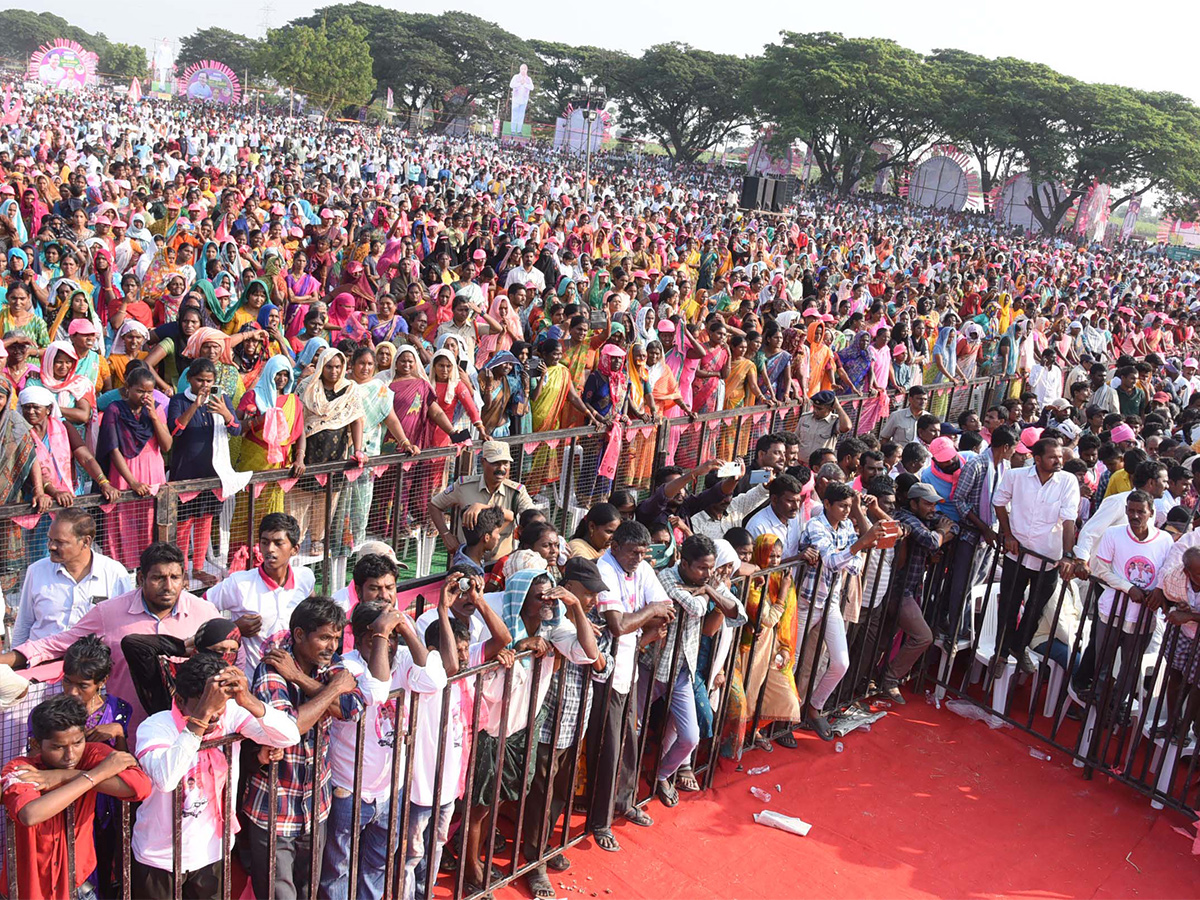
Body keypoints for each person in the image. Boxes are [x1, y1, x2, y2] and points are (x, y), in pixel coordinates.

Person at [0, 542, 221, 748]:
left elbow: (228, 664)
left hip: (188, 736)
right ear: (140, 578)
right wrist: (6, 660)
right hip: (126, 735)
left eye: (175, 577)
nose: (168, 586)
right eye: (159, 578)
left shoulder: (205, 614)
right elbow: (58, 644)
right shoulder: (109, 613)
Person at [131, 655, 299, 899]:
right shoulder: (155, 727)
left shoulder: (230, 713)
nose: (213, 717)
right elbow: (166, 780)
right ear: (179, 700)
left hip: (213, 851)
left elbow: (289, 736)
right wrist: (200, 718)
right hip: (159, 856)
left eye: (217, 709)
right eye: (203, 707)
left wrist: (248, 700)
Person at [320, 600, 446, 900]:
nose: (389, 644)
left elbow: (434, 680)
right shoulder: (345, 666)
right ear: (363, 636)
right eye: (380, 636)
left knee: (376, 865)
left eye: (393, 637)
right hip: (349, 789)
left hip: (392, 788)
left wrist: (405, 628)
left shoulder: (403, 656)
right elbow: (375, 691)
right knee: (338, 869)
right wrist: (380, 634)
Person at [243, 597, 366, 900]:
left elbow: (353, 708)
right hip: (274, 806)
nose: (332, 645)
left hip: (315, 804)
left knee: (308, 891)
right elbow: (288, 730)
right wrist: (333, 691)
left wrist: (300, 679)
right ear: (299, 635)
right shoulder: (271, 669)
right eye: (325, 637)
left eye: (337, 638)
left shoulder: (327, 663)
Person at [1, 694, 151, 900]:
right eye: (58, 747)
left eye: (77, 742)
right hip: (30, 890)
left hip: (77, 886)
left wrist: (66, 776)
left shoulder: (90, 754)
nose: (70, 755)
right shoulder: (20, 768)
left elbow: (139, 787)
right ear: (35, 743)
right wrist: (97, 775)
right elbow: (30, 814)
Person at [992, 437, 1080, 664]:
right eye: (1052, 457)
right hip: (1017, 553)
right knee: (1009, 607)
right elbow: (998, 501)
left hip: (1048, 558)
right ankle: (1000, 654)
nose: (1058, 461)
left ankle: (1018, 648)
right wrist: (1008, 534)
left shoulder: (1068, 481)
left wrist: (1068, 555)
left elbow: (1069, 519)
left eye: (1060, 456)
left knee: (1036, 610)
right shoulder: (1016, 476)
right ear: (1037, 459)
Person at [205, 513, 316, 676]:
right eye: (265, 542)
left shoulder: (305, 578)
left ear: (295, 549)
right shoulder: (239, 584)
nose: (270, 549)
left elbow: (315, 610)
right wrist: (234, 629)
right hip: (252, 685)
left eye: (278, 543)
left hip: (294, 681)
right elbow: (200, 608)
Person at [11, 507, 132, 645]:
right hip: (41, 660)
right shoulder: (36, 571)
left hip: (92, 662)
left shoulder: (114, 573)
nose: (51, 547)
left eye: (60, 542)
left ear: (86, 542)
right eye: (50, 540)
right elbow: (24, 624)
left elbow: (125, 625)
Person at [429, 440, 534, 560]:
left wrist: (481, 507)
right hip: (467, 562)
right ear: (482, 462)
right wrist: (446, 534)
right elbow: (434, 505)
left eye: (505, 463)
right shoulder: (464, 486)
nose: (501, 468)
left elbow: (534, 517)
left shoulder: (517, 492)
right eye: (495, 463)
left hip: (500, 566)